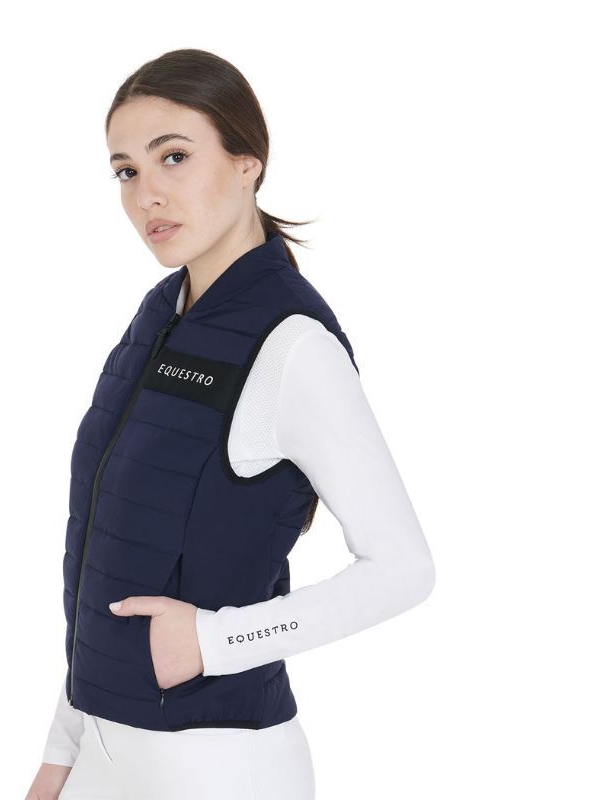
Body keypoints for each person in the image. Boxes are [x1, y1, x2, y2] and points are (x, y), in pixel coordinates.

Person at [25, 48, 435, 800]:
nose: (147, 194)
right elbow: (111, 553)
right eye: (126, 171)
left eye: (174, 157)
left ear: (248, 162)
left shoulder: (293, 344)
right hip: (106, 752)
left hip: (218, 766)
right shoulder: (160, 317)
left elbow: (404, 569)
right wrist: (64, 745)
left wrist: (214, 642)